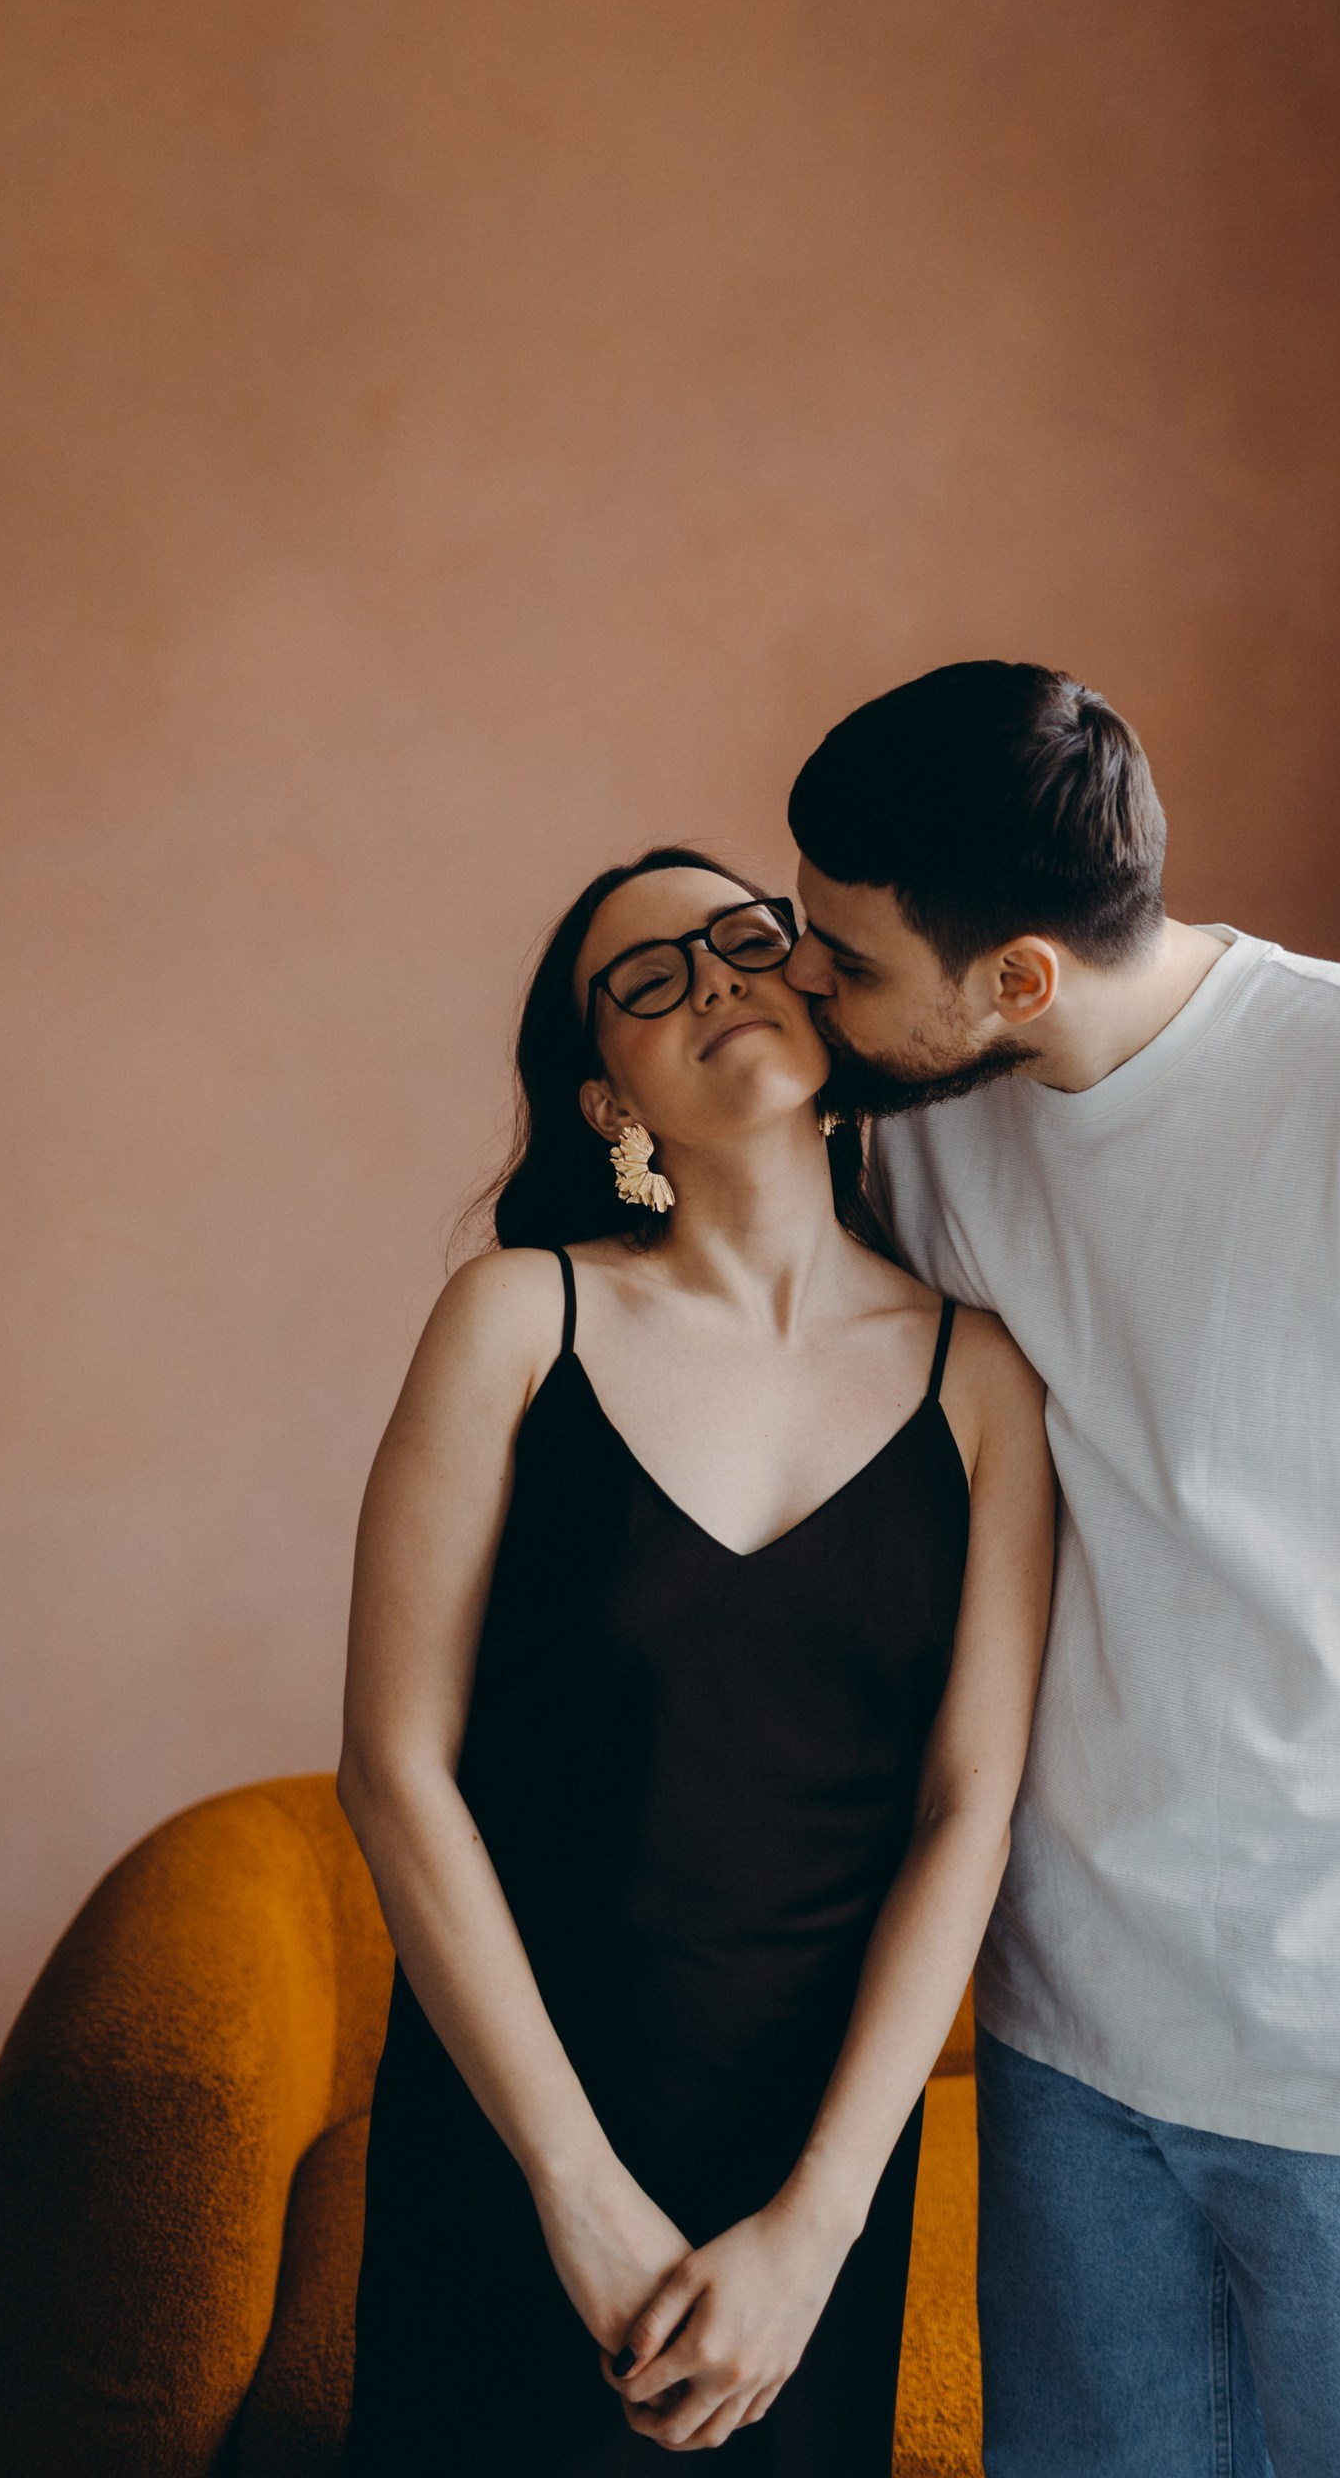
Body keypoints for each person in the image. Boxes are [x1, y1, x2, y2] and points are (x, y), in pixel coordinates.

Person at [782, 660, 1340, 2478]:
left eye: (848, 958)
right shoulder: (932, 1123)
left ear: (1018, 978)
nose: (809, 983)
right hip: (1068, 2058)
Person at [337, 845, 1052, 2473]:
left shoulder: (983, 1377)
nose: (714, 977)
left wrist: (819, 2221)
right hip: (513, 2138)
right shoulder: (517, 1321)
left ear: (825, 996)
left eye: (743, 938)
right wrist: (572, 2190)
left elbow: (968, 1811)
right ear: (608, 1100)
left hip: (804, 2178)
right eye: (648, 979)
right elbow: (395, 1770)